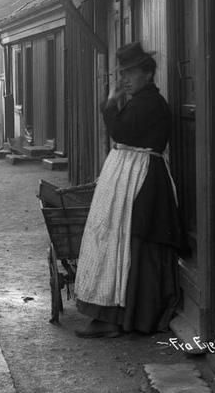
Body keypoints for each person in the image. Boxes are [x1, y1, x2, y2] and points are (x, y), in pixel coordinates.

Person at [74, 42, 183, 338]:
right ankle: (113, 313)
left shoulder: (150, 102)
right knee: (117, 240)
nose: (125, 80)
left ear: (148, 74)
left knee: (130, 241)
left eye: (131, 74)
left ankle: (124, 315)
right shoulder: (141, 100)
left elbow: (121, 132)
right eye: (122, 74)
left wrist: (110, 103)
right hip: (128, 173)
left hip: (140, 177)